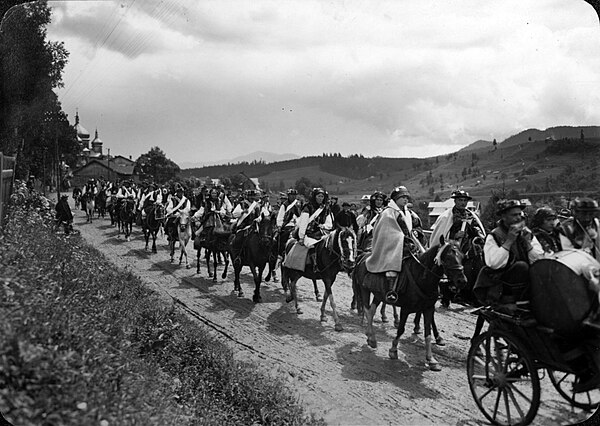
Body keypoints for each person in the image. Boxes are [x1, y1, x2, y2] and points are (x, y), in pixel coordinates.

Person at [473, 199, 544, 305]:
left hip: (527, 279)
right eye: (514, 215)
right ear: (503, 217)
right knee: (521, 266)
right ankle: (519, 303)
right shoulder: (495, 235)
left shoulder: (526, 234)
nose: (518, 218)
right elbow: (493, 263)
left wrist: (528, 243)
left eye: (519, 214)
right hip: (501, 281)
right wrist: (509, 242)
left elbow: (539, 260)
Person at [365, 186, 415, 303]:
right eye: (402, 197)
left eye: (406, 197)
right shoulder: (388, 213)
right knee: (392, 266)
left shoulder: (407, 213)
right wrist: (402, 239)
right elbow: (387, 233)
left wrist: (415, 234)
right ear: (395, 199)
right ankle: (390, 291)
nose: (405, 200)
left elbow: (411, 228)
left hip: (408, 244)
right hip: (392, 246)